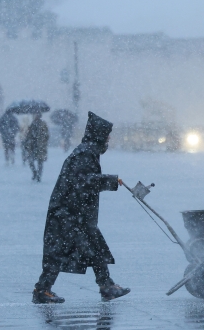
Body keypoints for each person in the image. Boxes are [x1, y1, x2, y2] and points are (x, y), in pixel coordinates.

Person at [33, 111, 130, 304]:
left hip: (73, 212)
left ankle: (106, 286)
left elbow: (82, 181)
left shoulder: (87, 151)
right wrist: (109, 180)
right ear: (100, 135)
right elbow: (82, 182)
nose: (109, 139)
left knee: (91, 249)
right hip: (69, 213)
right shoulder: (86, 153)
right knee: (66, 251)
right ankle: (43, 290)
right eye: (107, 135)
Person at [24, 113, 49, 182]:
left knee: (40, 162)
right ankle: (35, 173)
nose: (35, 116)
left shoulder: (43, 124)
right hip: (32, 146)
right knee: (30, 161)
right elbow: (29, 135)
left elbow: (46, 135)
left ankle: (39, 176)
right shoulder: (32, 124)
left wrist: (42, 141)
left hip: (40, 146)